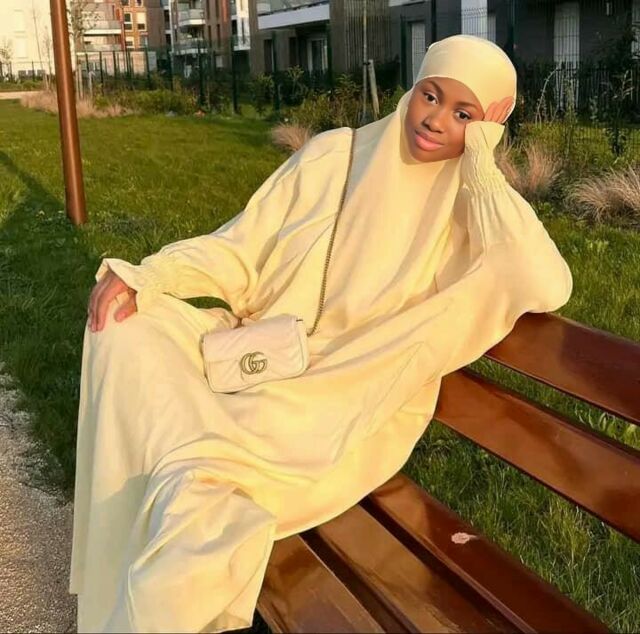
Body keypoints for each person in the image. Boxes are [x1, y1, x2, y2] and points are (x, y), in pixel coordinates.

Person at [72, 34, 573, 633]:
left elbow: (544, 279)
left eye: (464, 115)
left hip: (346, 398)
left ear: (489, 125)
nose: (436, 120)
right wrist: (151, 276)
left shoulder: (474, 209)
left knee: (197, 492)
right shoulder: (336, 156)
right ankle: (130, 559)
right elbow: (241, 247)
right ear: (414, 88)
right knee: (124, 326)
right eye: (431, 96)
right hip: (261, 349)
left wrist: (483, 164)